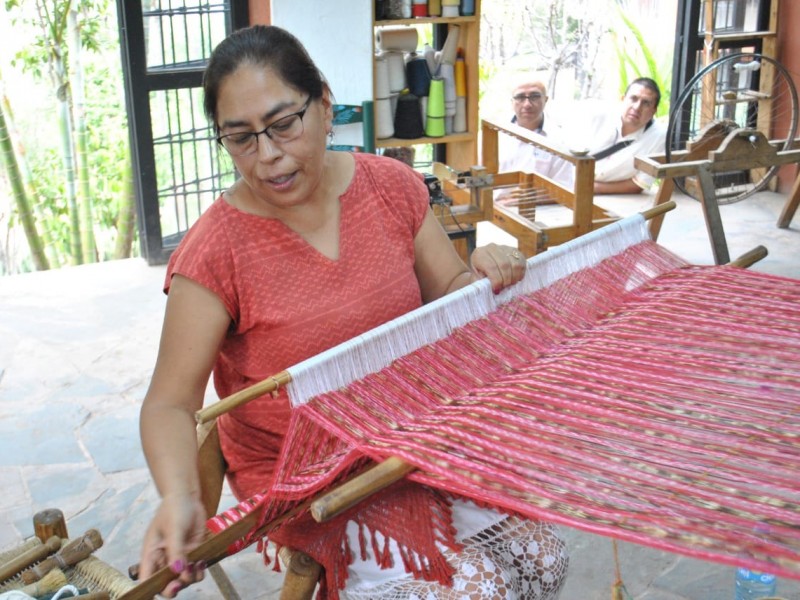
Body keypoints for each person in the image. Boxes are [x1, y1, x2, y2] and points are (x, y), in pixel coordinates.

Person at [136, 25, 568, 599]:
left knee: (543, 557)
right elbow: (169, 402)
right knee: (474, 587)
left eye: (284, 124)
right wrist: (179, 495)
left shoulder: (389, 186)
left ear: (324, 104)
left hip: (417, 434)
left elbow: (453, 293)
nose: (267, 156)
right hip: (311, 475)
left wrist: (485, 269)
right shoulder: (216, 252)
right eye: (240, 138)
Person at [573, 77, 666, 195]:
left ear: (654, 111)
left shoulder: (659, 136)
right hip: (569, 183)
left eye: (646, 103)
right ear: (623, 99)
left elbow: (639, 184)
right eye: (633, 98)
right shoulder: (596, 114)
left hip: (612, 197)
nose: (637, 107)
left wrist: (591, 188)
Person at [497, 79, 574, 189]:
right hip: (494, 203)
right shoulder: (495, 131)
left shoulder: (558, 140)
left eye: (535, 97)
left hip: (539, 205)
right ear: (512, 101)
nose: (527, 104)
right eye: (520, 97)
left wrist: (517, 200)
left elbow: (564, 188)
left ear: (545, 99)